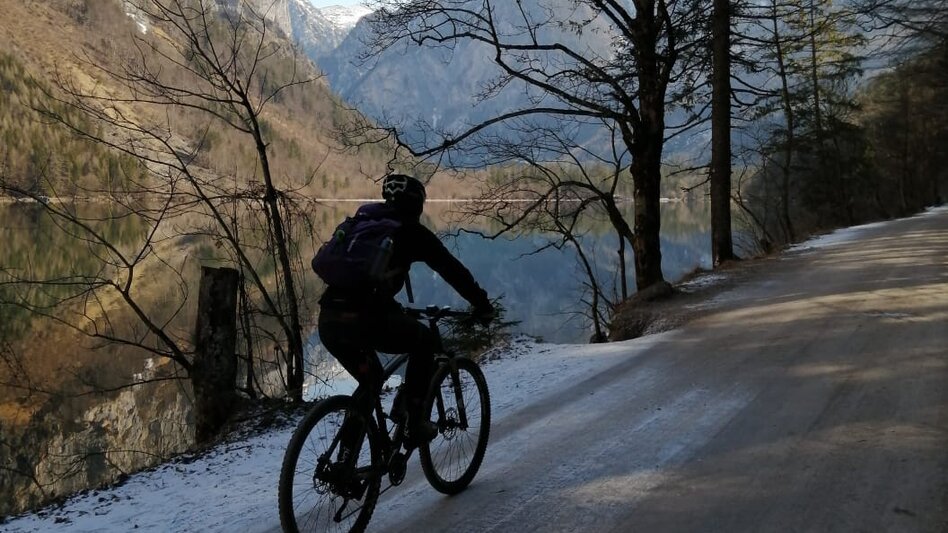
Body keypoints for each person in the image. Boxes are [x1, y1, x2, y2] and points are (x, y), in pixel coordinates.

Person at [318, 174, 494, 449]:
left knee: (370, 382)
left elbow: (366, 287)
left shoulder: (361, 224)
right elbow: (452, 270)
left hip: (329, 318)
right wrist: (482, 305)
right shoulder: (411, 232)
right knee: (424, 342)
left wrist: (393, 309)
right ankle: (414, 422)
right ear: (417, 204)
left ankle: (343, 464)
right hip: (364, 319)